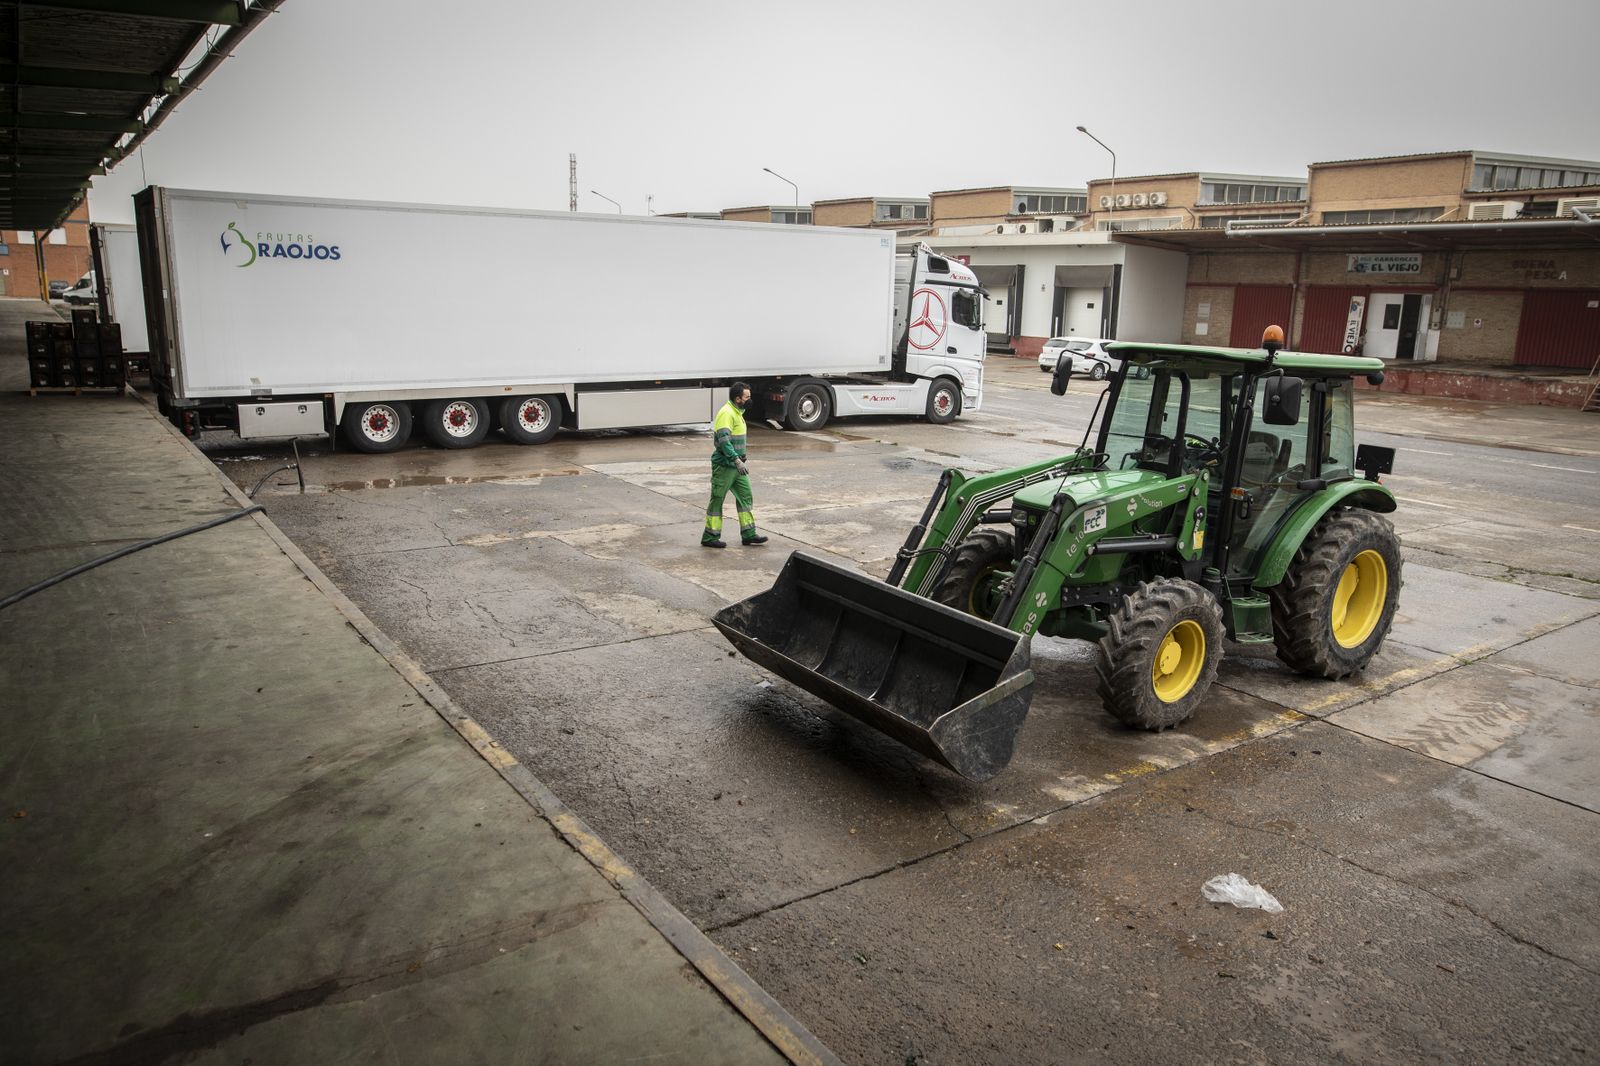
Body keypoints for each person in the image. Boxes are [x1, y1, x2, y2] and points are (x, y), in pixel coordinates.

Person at [702, 382, 767, 548]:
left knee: (745, 496)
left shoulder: (738, 412)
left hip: (738, 467)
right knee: (717, 499)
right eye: (747, 397)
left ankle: (749, 535)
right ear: (738, 399)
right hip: (726, 465)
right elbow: (724, 441)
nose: (750, 400)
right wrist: (736, 460)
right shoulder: (727, 413)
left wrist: (740, 460)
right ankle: (710, 537)